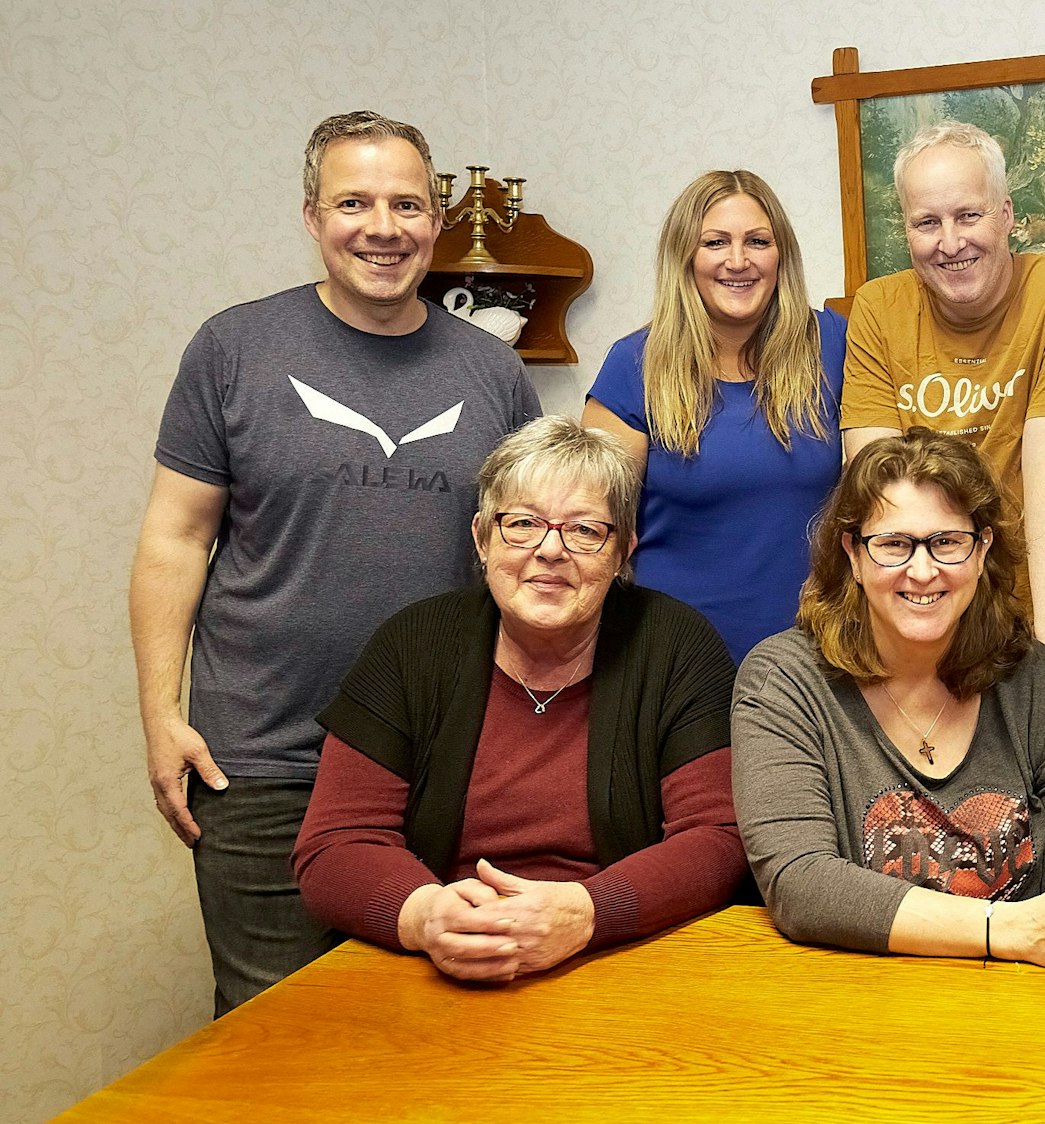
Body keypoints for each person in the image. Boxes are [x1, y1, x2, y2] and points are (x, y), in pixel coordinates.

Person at [129, 110, 541, 1013]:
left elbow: (525, 561)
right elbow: (176, 537)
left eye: (406, 204)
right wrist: (162, 716)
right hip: (262, 761)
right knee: (273, 1032)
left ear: (436, 219)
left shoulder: (492, 373)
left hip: (437, 760)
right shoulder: (232, 351)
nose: (383, 228)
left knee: (431, 1025)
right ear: (313, 217)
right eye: (354, 202)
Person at [293, 416, 743, 981]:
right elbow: (335, 843)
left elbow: (718, 839)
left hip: (619, 960)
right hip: (438, 965)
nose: (551, 550)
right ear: (482, 538)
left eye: (585, 531)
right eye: (523, 523)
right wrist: (427, 915)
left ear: (623, 551)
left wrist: (588, 913)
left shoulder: (676, 646)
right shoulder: (412, 646)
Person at [732, 429, 1045, 970]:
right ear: (852, 553)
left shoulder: (1036, 680)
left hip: (1026, 1004)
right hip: (856, 1001)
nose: (922, 571)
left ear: (983, 550)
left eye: (947, 542)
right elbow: (801, 883)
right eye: (893, 544)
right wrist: (1008, 930)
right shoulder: (783, 682)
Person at [840, 121, 1045, 698]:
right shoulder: (877, 307)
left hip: (1030, 614)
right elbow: (876, 485)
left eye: (969, 215)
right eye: (927, 222)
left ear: (1007, 214)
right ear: (907, 230)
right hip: (913, 620)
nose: (950, 242)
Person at [583, 170, 848, 663]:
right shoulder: (635, 364)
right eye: (715, 242)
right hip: (673, 660)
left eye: (758, 241)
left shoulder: (836, 347)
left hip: (819, 657)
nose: (738, 260)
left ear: (781, 254)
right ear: (685, 256)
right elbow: (591, 528)